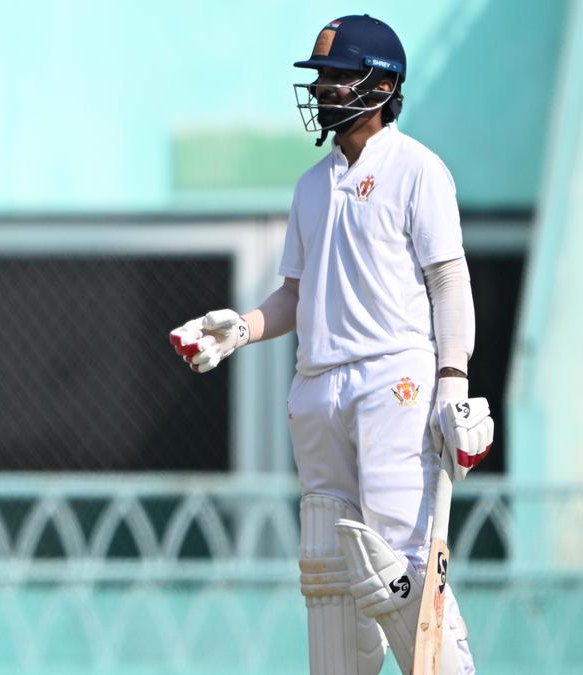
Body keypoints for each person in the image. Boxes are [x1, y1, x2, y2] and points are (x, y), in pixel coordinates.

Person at [169, 15, 494, 675]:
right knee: (326, 574)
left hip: (393, 383)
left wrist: (453, 384)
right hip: (316, 387)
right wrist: (241, 329)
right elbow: (296, 294)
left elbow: (448, 279)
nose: (326, 90)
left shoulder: (417, 171)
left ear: (382, 83)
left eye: (340, 77)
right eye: (322, 79)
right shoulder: (311, 187)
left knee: (397, 565)